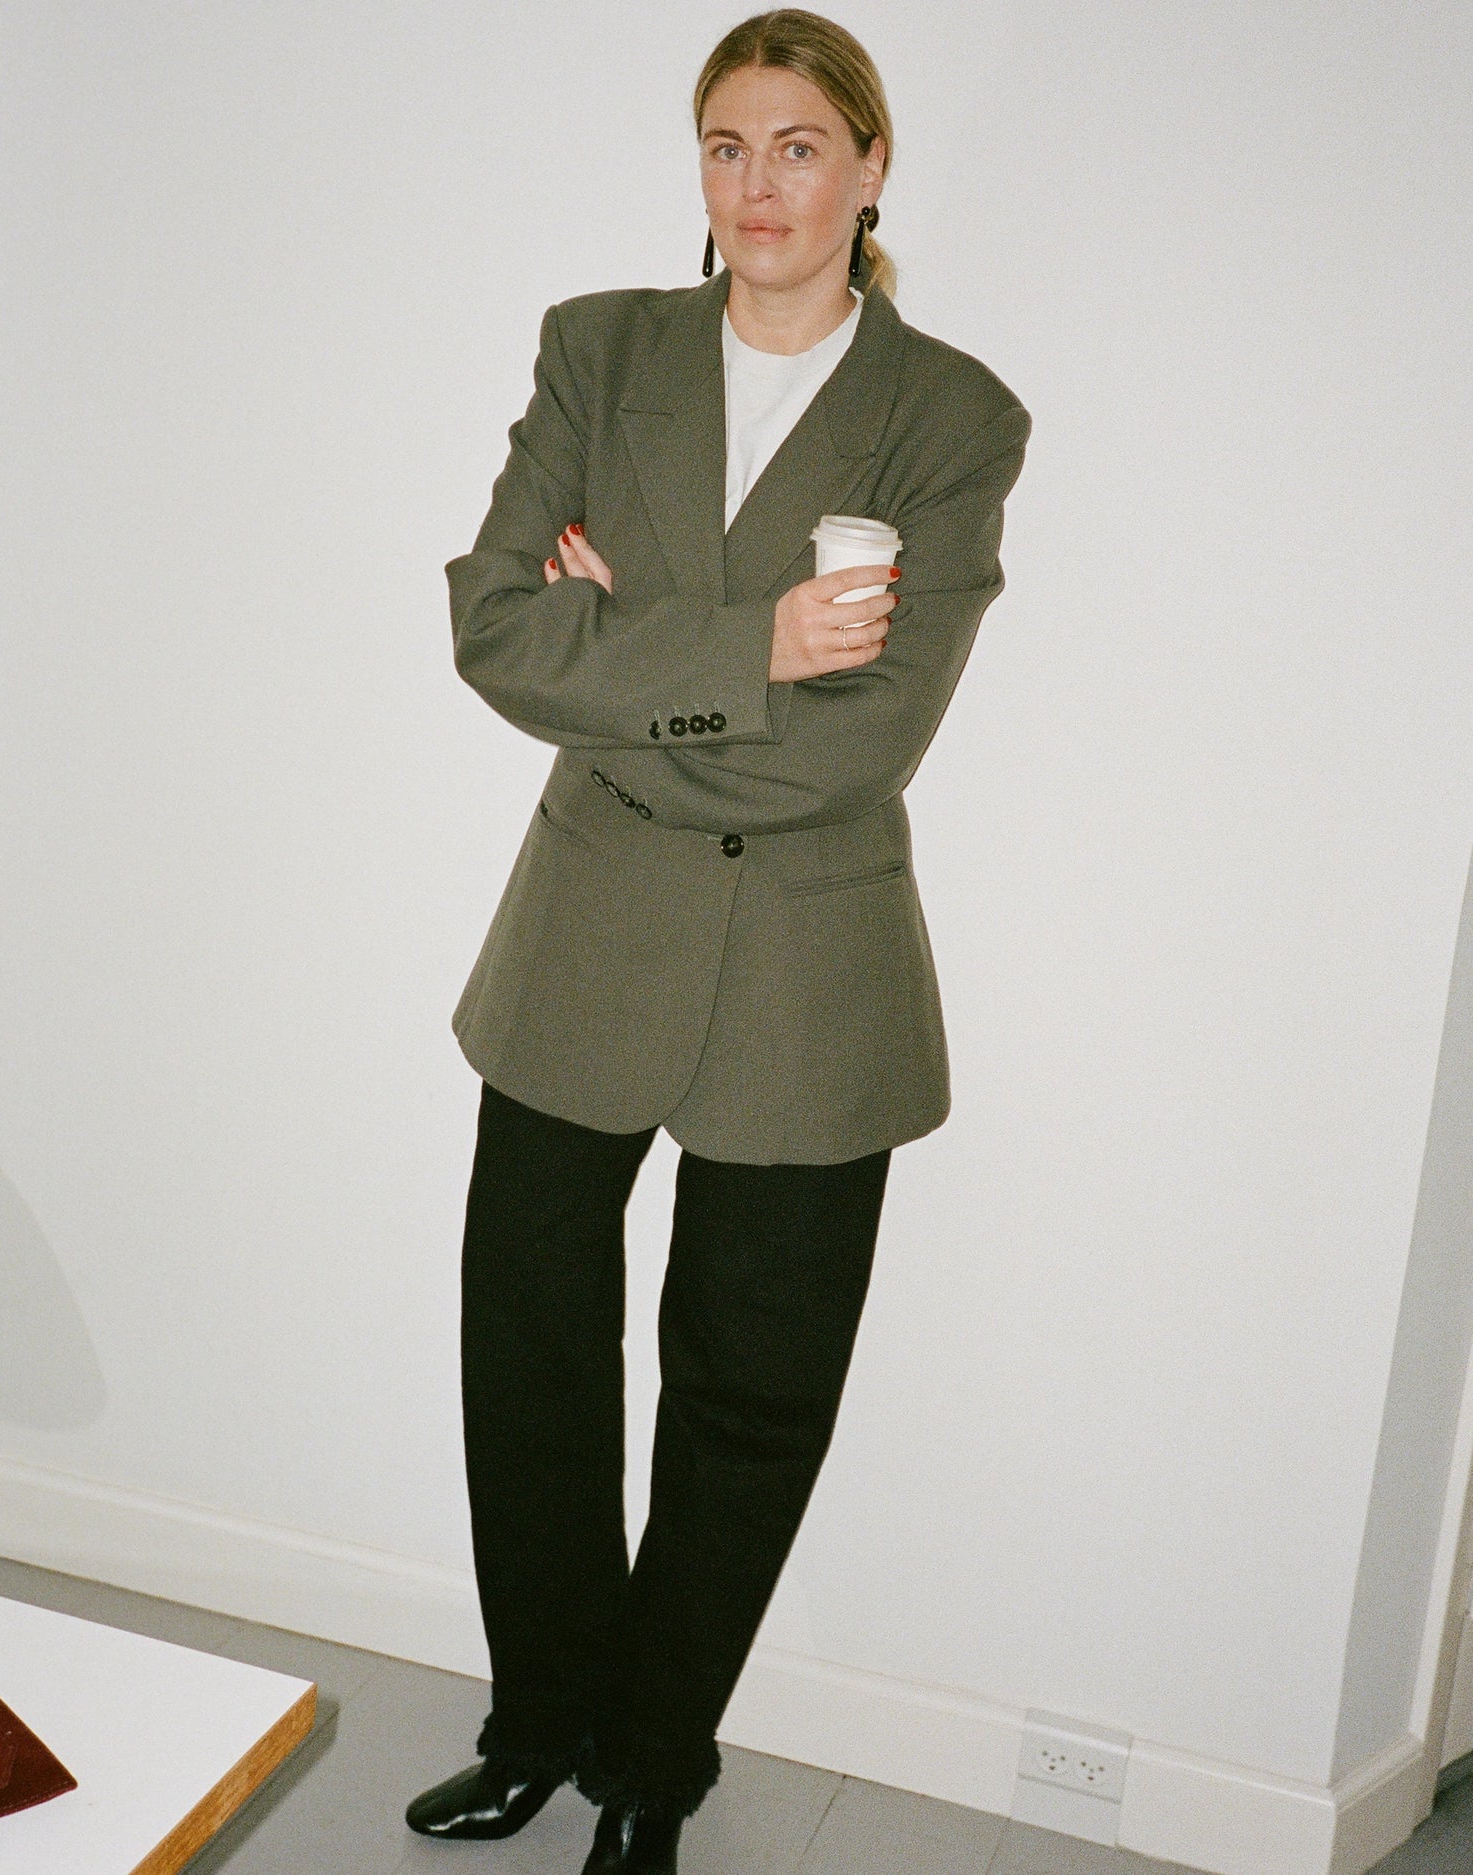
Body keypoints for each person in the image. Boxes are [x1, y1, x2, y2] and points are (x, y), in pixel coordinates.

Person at [404, 9, 1030, 1871]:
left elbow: (867, 739)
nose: (760, 186)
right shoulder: (599, 350)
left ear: (871, 167)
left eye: (800, 146)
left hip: (809, 979)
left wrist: (620, 662)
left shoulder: (951, 418)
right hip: (584, 941)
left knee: (749, 1400)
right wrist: (753, 643)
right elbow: (494, 627)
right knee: (530, 1353)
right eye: (728, 146)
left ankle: (651, 1770)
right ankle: (539, 1718)